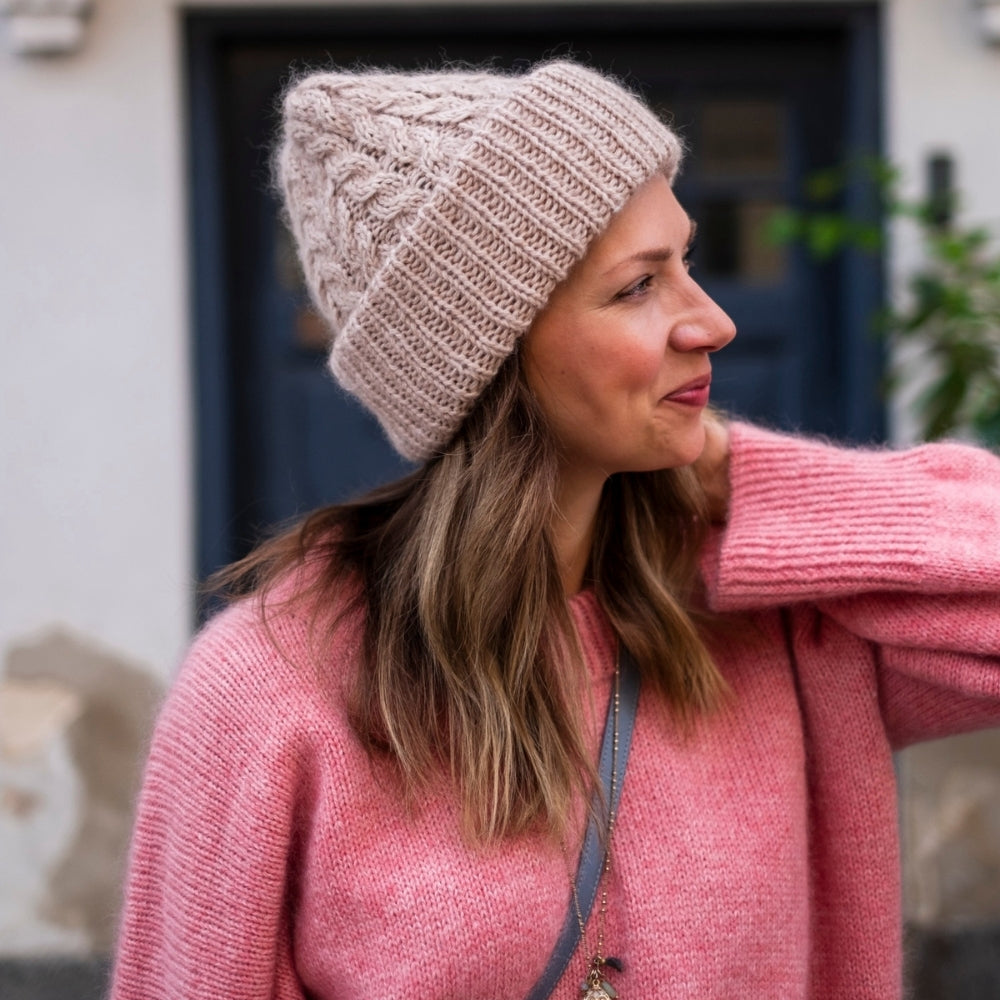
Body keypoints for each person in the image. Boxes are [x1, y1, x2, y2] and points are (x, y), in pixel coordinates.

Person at [109, 61, 1000, 1000]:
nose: (714, 322)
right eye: (637, 288)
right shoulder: (270, 689)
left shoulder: (774, 625)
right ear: (492, 357)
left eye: (686, 263)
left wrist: (751, 478)